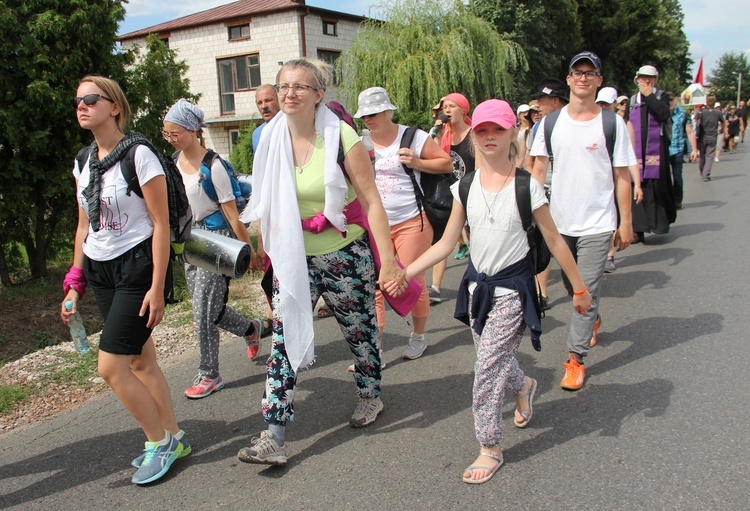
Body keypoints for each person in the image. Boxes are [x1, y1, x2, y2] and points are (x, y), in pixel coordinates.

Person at [385, 99, 591, 484]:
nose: (490, 136)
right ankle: (525, 385)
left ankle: (489, 446)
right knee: (493, 359)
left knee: (485, 369)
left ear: (513, 132)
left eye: (498, 129)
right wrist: (405, 271)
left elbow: (555, 240)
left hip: (514, 289)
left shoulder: (528, 186)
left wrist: (579, 289)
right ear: (473, 135)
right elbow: (447, 243)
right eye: (482, 130)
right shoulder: (464, 185)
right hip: (478, 288)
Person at [235, 58, 404, 465]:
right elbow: (267, 203)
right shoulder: (268, 139)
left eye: (300, 86)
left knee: (360, 334)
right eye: (283, 86)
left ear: (318, 95)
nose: (289, 93)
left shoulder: (342, 138)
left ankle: (370, 394)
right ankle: (273, 435)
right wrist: (263, 245)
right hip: (295, 258)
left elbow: (371, 202)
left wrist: (390, 262)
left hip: (345, 253)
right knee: (283, 342)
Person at [62, 75, 189, 484]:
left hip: (137, 265)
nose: (82, 106)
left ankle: (158, 443)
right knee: (140, 359)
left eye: (91, 99)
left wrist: (157, 287)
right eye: (78, 101)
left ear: (114, 106)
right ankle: (174, 436)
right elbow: (84, 226)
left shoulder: (139, 154)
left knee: (110, 367)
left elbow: (160, 223)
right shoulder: (83, 161)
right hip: (101, 268)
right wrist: (75, 281)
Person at [531, 51, 636, 390]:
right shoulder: (549, 124)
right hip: (560, 224)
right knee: (572, 287)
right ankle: (592, 313)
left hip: (598, 223)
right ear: (569, 78)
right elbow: (538, 171)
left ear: (599, 80)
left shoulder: (611, 124)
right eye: (578, 72)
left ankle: (575, 359)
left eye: (591, 73)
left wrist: (625, 222)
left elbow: (622, 177)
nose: (583, 78)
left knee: (583, 290)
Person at [162, 99, 263, 399]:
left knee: (203, 312)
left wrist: (250, 250)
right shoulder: (171, 163)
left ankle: (210, 374)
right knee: (210, 309)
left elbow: (233, 214)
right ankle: (250, 329)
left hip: (217, 240)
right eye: (166, 133)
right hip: (189, 240)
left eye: (175, 132)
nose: (170, 138)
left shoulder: (213, 166)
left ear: (192, 131)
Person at [354, 86, 452, 361]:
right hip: (376, 225)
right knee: (376, 285)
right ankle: (379, 348)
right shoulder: (361, 143)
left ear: (388, 111)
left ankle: (418, 336)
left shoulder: (413, 136)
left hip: (412, 220)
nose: (368, 120)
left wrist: (418, 162)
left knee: (411, 280)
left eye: (373, 114)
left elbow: (446, 164)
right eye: (364, 117)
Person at [524, 78, 569, 310]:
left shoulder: (576, 123)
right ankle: (541, 291)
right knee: (543, 239)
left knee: (568, 243)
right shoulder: (540, 127)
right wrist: (534, 188)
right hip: (546, 190)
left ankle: (580, 282)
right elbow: (530, 161)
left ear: (556, 100)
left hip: (571, 194)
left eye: (541, 99)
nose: (537, 104)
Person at [427, 93, 475, 303]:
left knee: (477, 241)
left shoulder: (474, 134)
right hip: (450, 195)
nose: (447, 110)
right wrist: (436, 131)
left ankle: (478, 278)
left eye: (452, 106)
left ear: (463, 110)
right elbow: (435, 157)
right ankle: (436, 287)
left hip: (472, 192)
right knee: (442, 240)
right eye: (445, 107)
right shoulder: (442, 134)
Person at [597, 88, 643, 272]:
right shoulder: (591, 122)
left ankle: (610, 254)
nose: (603, 107)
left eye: (607, 104)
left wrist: (637, 184)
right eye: (601, 103)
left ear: (615, 104)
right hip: (600, 179)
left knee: (612, 217)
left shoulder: (623, 124)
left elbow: (629, 157)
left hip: (617, 178)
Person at [251, 85, 281, 334]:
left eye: (269, 100)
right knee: (270, 266)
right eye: (259, 102)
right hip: (270, 209)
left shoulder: (291, 126)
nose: (264, 106)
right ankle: (274, 314)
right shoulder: (258, 135)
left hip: (296, 208)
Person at [667, 92, 699, 210]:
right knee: (664, 177)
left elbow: (690, 132)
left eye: (671, 100)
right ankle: (666, 199)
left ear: (675, 100)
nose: (669, 102)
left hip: (677, 148)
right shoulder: (660, 113)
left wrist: (694, 149)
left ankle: (677, 200)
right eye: (667, 100)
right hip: (663, 149)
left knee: (677, 176)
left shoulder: (682, 114)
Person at [695, 96, 725, 181]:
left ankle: (702, 171)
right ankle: (706, 174)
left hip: (702, 136)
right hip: (712, 136)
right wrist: (722, 129)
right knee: (710, 156)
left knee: (702, 156)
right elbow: (723, 122)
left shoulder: (701, 113)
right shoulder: (718, 113)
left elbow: (695, 122)